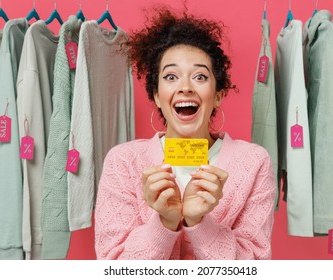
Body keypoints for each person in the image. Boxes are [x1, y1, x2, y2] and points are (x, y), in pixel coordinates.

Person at [94, 7, 276, 260]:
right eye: (171, 76)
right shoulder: (122, 161)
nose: (185, 87)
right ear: (157, 96)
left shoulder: (254, 162)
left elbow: (255, 267)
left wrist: (198, 221)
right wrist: (165, 223)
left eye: (200, 77)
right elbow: (112, 267)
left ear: (218, 95)